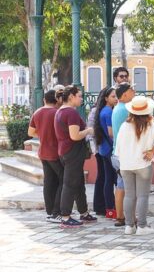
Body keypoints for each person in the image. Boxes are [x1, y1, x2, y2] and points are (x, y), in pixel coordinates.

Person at [115, 96, 154, 235]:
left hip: (126, 165)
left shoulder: (125, 126)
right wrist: (152, 151)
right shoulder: (150, 125)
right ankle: (142, 226)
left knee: (129, 195)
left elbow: (118, 148)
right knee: (142, 196)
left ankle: (129, 226)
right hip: (143, 164)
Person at [54, 85, 96, 228]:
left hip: (65, 151)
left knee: (78, 183)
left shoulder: (60, 111)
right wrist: (89, 130)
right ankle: (65, 217)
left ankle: (83, 212)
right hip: (72, 152)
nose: (81, 98)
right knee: (70, 184)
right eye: (79, 96)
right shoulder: (70, 113)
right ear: (71, 96)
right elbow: (75, 136)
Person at [28, 89, 64, 223]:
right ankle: (56, 212)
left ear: (44, 100)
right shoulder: (57, 113)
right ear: (57, 100)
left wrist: (42, 135)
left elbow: (31, 132)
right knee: (63, 180)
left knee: (49, 182)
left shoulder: (37, 112)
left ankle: (50, 211)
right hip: (55, 152)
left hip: (43, 152)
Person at [111, 82, 136, 227]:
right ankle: (129, 217)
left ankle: (120, 216)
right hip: (125, 154)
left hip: (117, 153)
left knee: (121, 186)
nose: (134, 92)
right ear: (125, 94)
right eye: (132, 90)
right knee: (130, 188)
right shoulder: (125, 108)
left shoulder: (118, 108)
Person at [93, 87, 118, 219]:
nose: (116, 99)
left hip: (104, 149)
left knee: (108, 179)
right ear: (106, 98)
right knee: (112, 180)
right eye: (113, 96)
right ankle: (112, 207)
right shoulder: (108, 112)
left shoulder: (102, 111)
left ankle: (109, 209)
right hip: (109, 150)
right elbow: (110, 133)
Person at [86, 100, 105, 217]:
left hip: (100, 147)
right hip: (98, 148)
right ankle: (99, 205)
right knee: (102, 175)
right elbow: (91, 131)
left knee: (103, 176)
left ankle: (101, 204)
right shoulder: (95, 111)